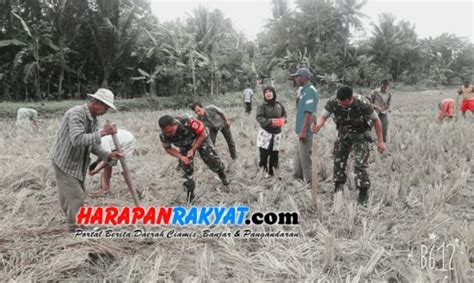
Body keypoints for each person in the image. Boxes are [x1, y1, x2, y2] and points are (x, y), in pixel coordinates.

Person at [50, 88, 123, 231]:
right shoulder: (76, 113)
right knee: (76, 196)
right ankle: (75, 227)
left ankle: (76, 222)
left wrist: (108, 155)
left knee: (73, 195)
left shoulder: (93, 119)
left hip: (78, 163)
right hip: (64, 161)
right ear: (96, 103)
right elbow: (77, 139)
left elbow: (92, 144)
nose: (106, 110)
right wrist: (103, 132)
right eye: (106, 107)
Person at [312, 86, 385, 206]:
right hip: (343, 132)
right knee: (338, 160)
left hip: (360, 134)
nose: (342, 106)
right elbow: (323, 117)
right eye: (340, 104)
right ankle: (338, 186)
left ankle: (363, 192)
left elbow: (376, 120)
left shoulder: (362, 102)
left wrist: (381, 141)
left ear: (351, 99)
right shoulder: (333, 101)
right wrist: (318, 126)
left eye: (345, 105)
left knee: (360, 164)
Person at [159, 115, 230, 203]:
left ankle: (222, 175)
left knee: (212, 159)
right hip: (185, 144)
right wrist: (182, 157)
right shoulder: (163, 135)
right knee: (185, 168)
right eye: (166, 132)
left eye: (170, 131)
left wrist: (193, 149)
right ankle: (190, 194)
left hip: (200, 138)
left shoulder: (188, 121)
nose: (168, 134)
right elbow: (168, 148)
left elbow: (203, 134)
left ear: (175, 125)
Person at [290, 67, 319, 184]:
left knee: (305, 158)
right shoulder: (303, 90)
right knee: (299, 156)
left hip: (306, 130)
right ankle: (298, 177)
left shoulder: (310, 91)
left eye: (297, 77)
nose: (295, 79)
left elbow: (309, 113)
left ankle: (311, 183)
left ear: (304, 78)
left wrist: (303, 131)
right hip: (301, 129)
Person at [88, 129, 136, 195]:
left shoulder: (102, 141)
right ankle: (106, 189)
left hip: (127, 141)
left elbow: (108, 159)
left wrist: (97, 170)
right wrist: (96, 162)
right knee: (108, 165)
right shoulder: (95, 138)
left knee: (123, 169)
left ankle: (133, 191)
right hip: (116, 141)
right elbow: (104, 154)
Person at [256, 86, 287, 177]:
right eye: (266, 92)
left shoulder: (279, 105)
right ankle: (263, 171)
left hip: (277, 133)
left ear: (273, 93)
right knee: (264, 152)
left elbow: (285, 114)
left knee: (274, 153)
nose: (268, 94)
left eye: (270, 92)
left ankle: (272, 171)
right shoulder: (262, 106)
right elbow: (259, 117)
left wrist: (283, 120)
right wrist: (270, 122)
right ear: (264, 95)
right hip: (266, 133)